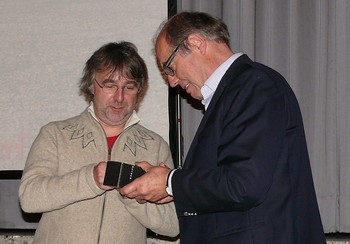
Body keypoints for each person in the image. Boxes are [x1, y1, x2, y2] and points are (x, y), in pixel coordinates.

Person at [119, 12, 327, 243]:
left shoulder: (253, 86)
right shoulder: (240, 90)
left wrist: (170, 182)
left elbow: (244, 185)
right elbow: (234, 181)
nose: (172, 81)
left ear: (195, 43)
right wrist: (171, 187)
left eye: (170, 67)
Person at [19, 41, 179, 244]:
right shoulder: (55, 134)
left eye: (129, 87)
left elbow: (173, 224)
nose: (119, 98)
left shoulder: (155, 146)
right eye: (110, 85)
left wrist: (135, 196)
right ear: (90, 85)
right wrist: (90, 179)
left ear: (139, 91)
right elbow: (29, 198)